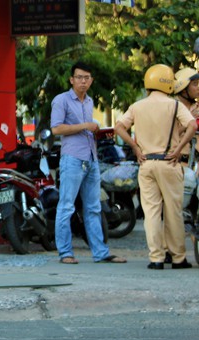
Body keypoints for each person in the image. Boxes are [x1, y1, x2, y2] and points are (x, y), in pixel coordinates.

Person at [114, 64, 197, 270]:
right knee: (173, 211)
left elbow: (119, 127)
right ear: (168, 83)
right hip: (169, 162)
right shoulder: (175, 105)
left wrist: (135, 147)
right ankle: (178, 258)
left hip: (146, 163)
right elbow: (193, 126)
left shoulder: (137, 106)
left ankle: (156, 258)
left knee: (151, 212)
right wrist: (178, 149)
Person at [50, 61, 126, 265]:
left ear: (91, 80)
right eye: (79, 77)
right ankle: (65, 253)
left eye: (87, 78)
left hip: (91, 158)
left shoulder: (89, 101)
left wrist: (100, 132)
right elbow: (56, 129)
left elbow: (87, 130)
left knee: (94, 208)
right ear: (71, 79)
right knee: (66, 207)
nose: (83, 81)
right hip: (72, 159)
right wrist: (86, 126)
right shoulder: (61, 100)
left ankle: (100, 253)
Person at [173, 68, 199, 166]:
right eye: (195, 84)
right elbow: (168, 137)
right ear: (183, 88)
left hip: (198, 162)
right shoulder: (172, 107)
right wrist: (189, 121)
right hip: (179, 162)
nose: (198, 88)